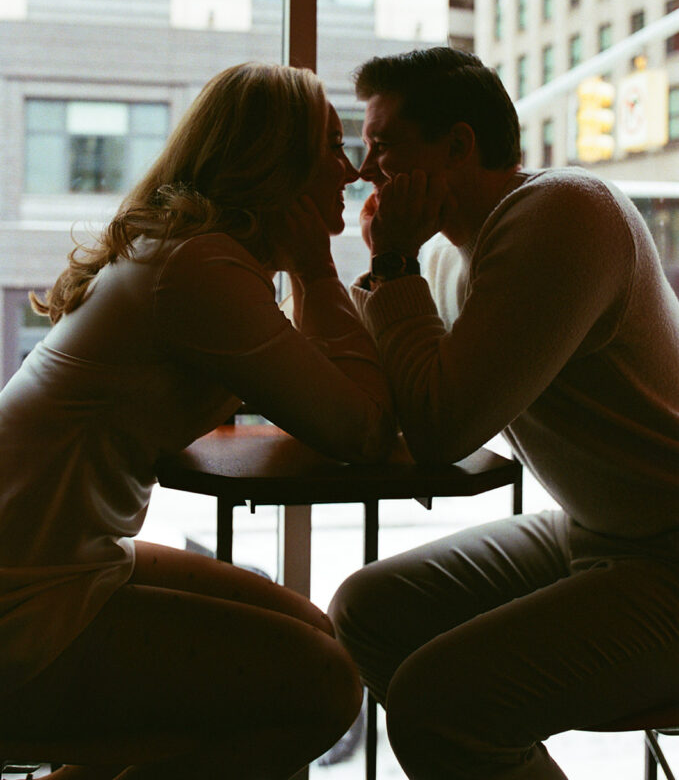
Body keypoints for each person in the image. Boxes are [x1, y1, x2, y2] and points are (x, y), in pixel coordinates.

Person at [0, 62, 397, 780]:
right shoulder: (198, 268)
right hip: (27, 599)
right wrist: (316, 269)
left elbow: (335, 400)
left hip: (66, 560)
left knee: (315, 635)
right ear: (269, 162)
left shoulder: (193, 254)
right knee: (322, 686)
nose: (352, 170)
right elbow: (360, 429)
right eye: (330, 146)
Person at [328, 46, 679, 780]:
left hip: (668, 548)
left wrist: (392, 264)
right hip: (603, 529)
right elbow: (400, 394)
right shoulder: (458, 255)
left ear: (457, 145)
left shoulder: (563, 213)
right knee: (368, 609)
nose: (364, 172)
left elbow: (441, 427)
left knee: (438, 705)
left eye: (382, 147)